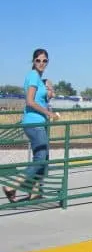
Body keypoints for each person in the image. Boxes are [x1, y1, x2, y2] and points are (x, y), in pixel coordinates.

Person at [3, 49, 60, 203]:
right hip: (34, 122)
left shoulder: (39, 79)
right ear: (33, 61)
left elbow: (42, 100)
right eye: (38, 60)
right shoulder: (33, 76)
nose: (41, 63)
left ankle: (34, 192)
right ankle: (12, 185)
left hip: (37, 122)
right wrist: (49, 114)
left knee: (41, 157)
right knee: (41, 158)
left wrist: (50, 91)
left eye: (44, 61)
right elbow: (30, 101)